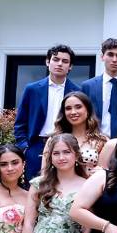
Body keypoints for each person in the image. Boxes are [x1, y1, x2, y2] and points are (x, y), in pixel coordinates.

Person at [14, 44, 81, 179]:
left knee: (62, 183)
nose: (60, 64)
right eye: (56, 59)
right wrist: (25, 148)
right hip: (36, 145)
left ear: (70, 66)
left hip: (65, 145)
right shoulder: (32, 89)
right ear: (47, 62)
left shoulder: (78, 91)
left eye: (65, 61)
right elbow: (20, 122)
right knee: (34, 184)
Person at [52, 91, 107, 176]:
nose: (73, 112)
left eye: (78, 107)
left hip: (91, 183)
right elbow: (45, 173)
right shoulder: (53, 139)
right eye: (68, 108)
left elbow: (105, 175)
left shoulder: (101, 141)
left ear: (88, 110)